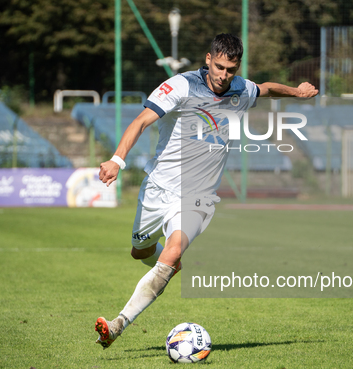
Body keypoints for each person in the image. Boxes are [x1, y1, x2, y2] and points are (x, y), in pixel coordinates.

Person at [95, 33, 318, 348]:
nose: (225, 76)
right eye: (220, 67)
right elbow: (141, 121)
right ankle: (165, 267)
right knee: (140, 251)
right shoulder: (181, 86)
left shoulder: (240, 88)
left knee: (172, 253)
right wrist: (117, 160)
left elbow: (266, 89)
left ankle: (116, 325)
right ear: (208, 59)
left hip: (198, 196)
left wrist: (297, 91)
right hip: (159, 187)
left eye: (231, 69)